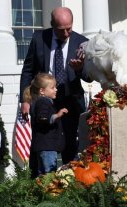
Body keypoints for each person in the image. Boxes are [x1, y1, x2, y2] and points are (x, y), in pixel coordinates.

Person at [19, 7, 92, 165]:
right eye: (61, 30)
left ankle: (69, 183)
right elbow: (28, 70)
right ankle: (38, 183)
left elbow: (89, 77)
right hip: (43, 103)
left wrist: (80, 69)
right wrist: (25, 101)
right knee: (41, 147)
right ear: (52, 25)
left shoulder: (82, 42)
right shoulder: (39, 38)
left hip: (70, 103)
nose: (66, 34)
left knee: (70, 146)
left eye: (69, 29)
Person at [28, 73, 68, 176]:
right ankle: (49, 192)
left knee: (43, 175)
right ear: (42, 91)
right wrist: (57, 115)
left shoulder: (42, 101)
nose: (56, 89)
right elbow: (42, 118)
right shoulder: (43, 101)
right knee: (49, 174)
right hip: (47, 146)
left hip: (45, 146)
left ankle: (41, 191)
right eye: (52, 87)